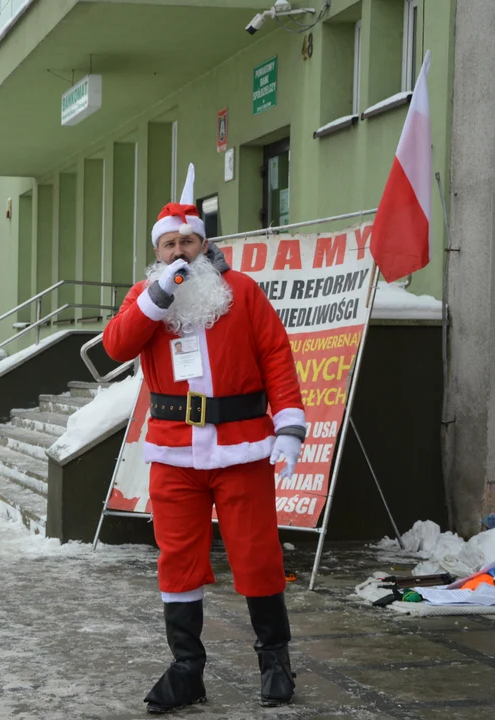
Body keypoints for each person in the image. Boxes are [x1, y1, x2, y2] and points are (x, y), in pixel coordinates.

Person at [102, 164, 305, 713]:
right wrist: (157, 297)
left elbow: (277, 359)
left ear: (204, 243)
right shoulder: (144, 299)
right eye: (168, 245)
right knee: (178, 558)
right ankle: (187, 670)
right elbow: (117, 345)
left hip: (241, 447)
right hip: (173, 451)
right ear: (158, 252)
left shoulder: (240, 291)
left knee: (257, 554)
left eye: (187, 241)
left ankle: (275, 662)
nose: (178, 253)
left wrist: (288, 426)